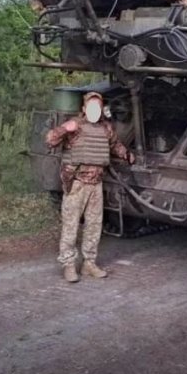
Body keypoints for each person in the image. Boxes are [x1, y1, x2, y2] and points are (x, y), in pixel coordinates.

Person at [45, 92, 135, 283]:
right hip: (77, 183)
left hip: (96, 184)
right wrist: (63, 129)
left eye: (98, 107)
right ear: (84, 109)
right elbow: (50, 140)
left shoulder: (105, 128)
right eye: (91, 107)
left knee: (94, 226)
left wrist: (127, 155)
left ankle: (89, 264)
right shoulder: (75, 126)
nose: (95, 111)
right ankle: (69, 265)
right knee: (71, 226)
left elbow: (115, 145)